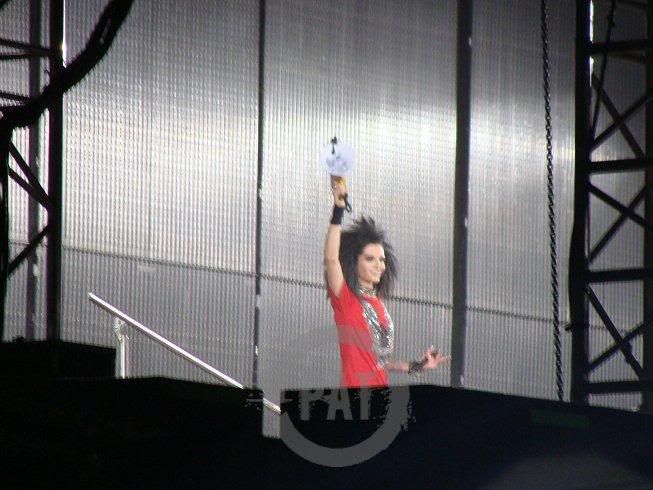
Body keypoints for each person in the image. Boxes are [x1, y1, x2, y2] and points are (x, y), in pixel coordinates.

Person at [324, 176, 449, 388]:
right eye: (370, 259)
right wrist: (338, 210)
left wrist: (418, 366)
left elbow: (381, 363)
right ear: (354, 262)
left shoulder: (379, 304)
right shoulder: (345, 299)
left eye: (382, 260)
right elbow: (331, 259)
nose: (379, 266)